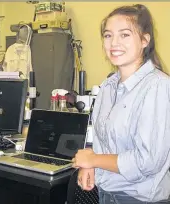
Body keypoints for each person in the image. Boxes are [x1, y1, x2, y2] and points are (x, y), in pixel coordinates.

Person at [72, 4, 170, 204]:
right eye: (108, 36)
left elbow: (147, 161)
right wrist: (89, 165)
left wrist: (92, 160)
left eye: (124, 35)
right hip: (106, 194)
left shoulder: (157, 87)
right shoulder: (108, 87)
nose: (114, 43)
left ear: (144, 40)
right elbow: (102, 141)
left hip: (139, 199)